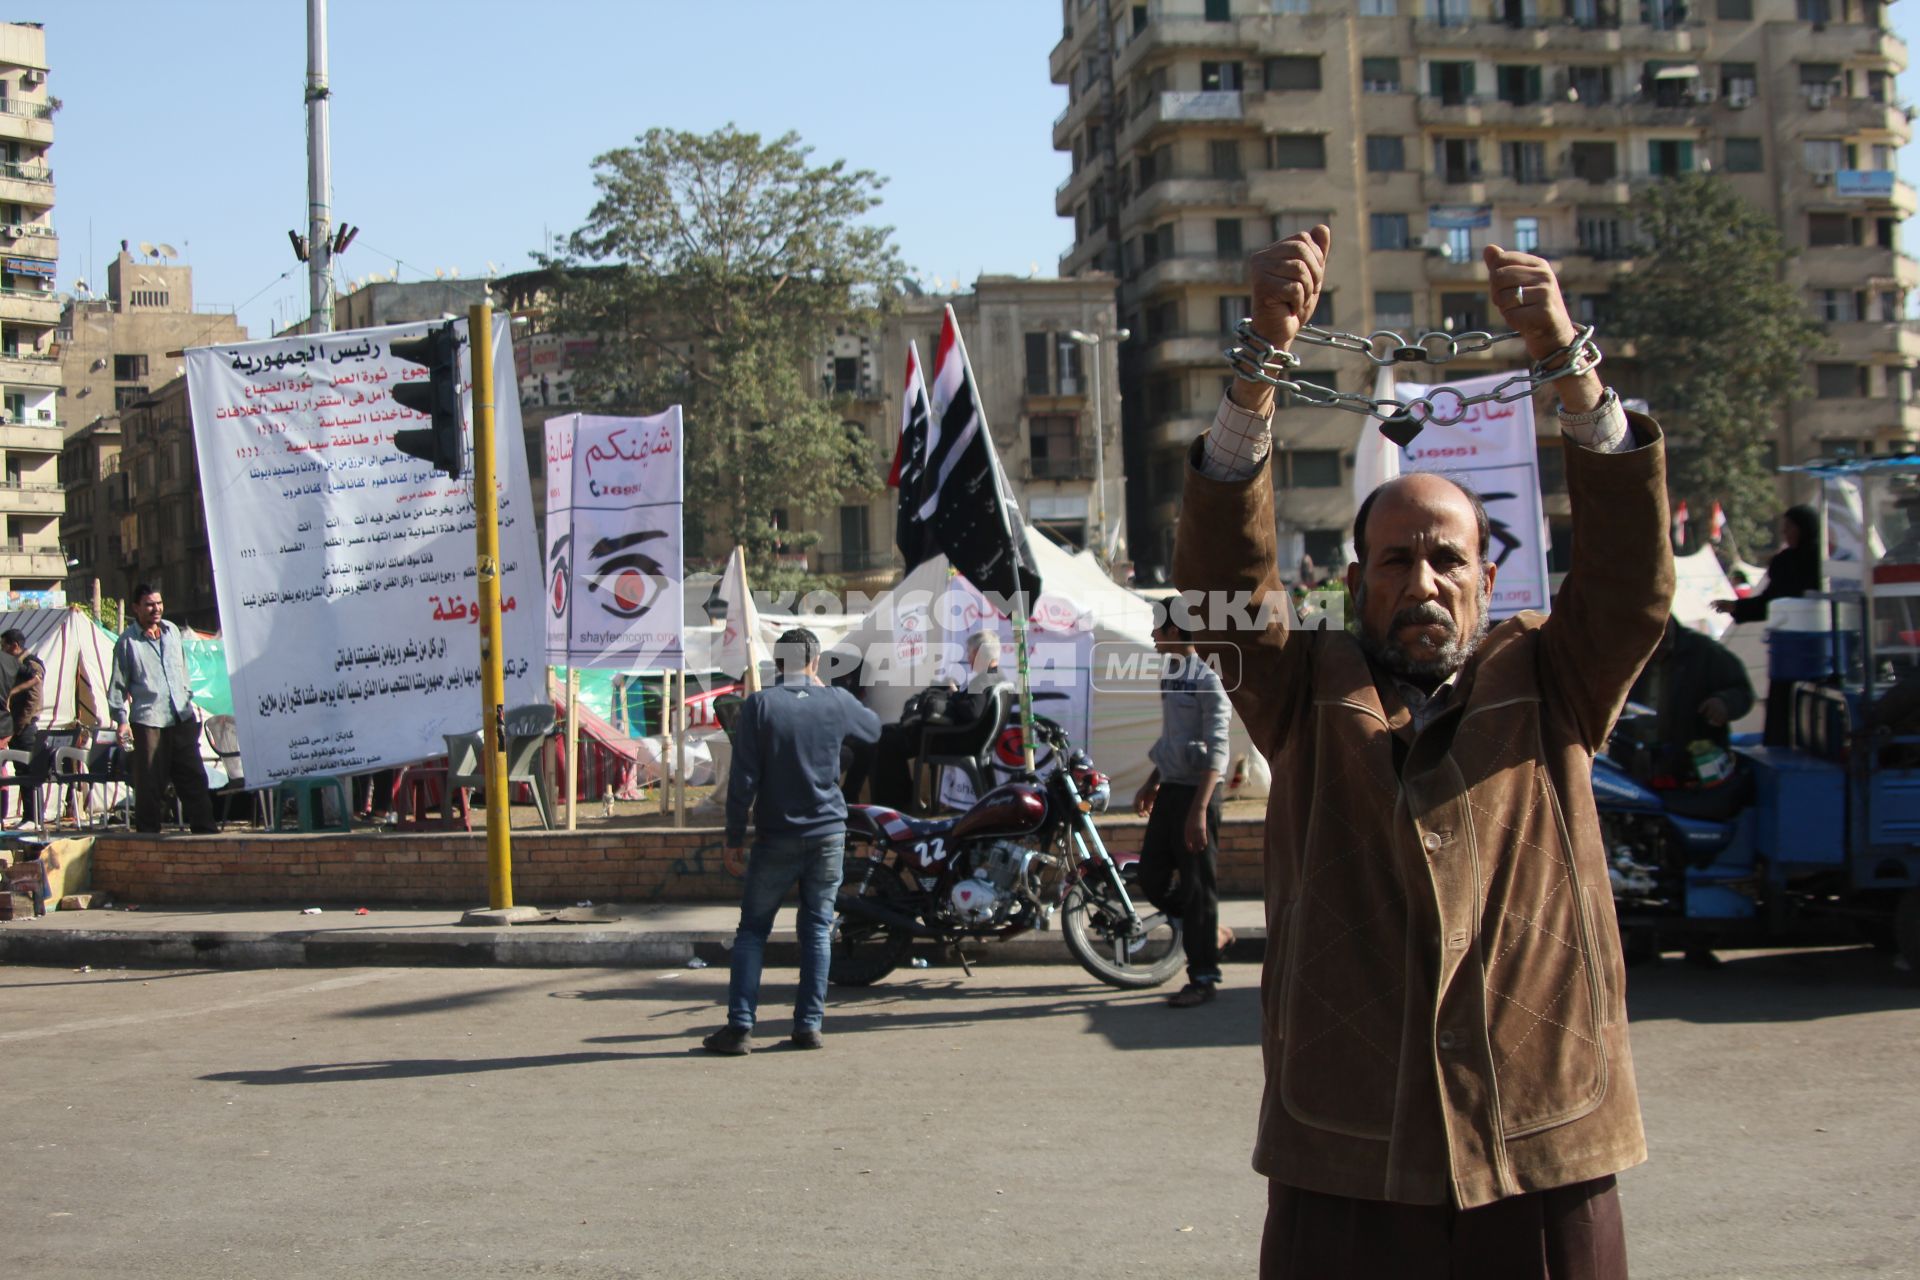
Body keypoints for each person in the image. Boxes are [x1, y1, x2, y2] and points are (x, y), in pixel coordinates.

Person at [1177, 226, 1670, 1277]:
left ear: (1491, 579)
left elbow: (1631, 577)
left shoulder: (1555, 677)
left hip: (1545, 1136)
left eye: (1449, 557)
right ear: (1358, 584)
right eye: (1394, 559)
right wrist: (1264, 356)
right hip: (1349, 1144)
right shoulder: (1303, 687)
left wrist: (1566, 364)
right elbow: (1221, 573)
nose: (1424, 579)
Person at [703, 627, 881, 1056]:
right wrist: (827, 692)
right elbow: (874, 730)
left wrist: (732, 838)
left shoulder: (759, 706)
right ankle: (808, 1026)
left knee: (752, 932)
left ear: (777, 664)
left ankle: (741, 1027)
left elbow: (743, 781)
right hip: (828, 834)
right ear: (815, 662)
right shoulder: (835, 702)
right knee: (818, 930)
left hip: (776, 836)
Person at [1133, 609, 1233, 1007]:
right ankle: (1209, 932)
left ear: (1174, 630)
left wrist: (1199, 810)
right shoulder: (1172, 676)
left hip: (1199, 795)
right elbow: (1174, 738)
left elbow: (1218, 750)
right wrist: (1152, 781)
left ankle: (1203, 976)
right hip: (1172, 789)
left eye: (1158, 628)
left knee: (1198, 888)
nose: (1154, 636)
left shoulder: (1208, 680)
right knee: (1152, 876)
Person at [107, 584, 217, 835]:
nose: (155, 609)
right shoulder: (127, 642)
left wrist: (187, 699)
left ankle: (206, 833)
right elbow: (117, 686)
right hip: (149, 721)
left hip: (181, 716)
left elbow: (183, 670)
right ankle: (148, 837)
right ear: (136, 608)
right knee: (149, 784)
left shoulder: (172, 633)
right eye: (149, 604)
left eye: (158, 603)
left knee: (193, 778)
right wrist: (121, 720)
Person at [1712, 505, 1820, 745]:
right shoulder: (1784, 562)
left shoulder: (1820, 561)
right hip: (1787, 643)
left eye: (1790, 527)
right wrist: (1736, 607)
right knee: (1781, 697)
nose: (1785, 533)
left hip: (1816, 644)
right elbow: (1769, 602)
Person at [870, 631, 1010, 811]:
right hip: (968, 737)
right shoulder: (997, 676)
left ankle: (896, 806)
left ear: (980, 653)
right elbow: (973, 707)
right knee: (889, 733)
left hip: (954, 740)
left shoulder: (984, 679)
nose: (968, 657)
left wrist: (953, 694)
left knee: (887, 740)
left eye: (970, 653)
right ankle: (905, 800)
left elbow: (972, 711)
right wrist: (958, 695)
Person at [1, 629, 46, 829]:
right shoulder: (15, 665)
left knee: (29, 772)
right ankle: (29, 816)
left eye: (4, 645)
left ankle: (34, 817)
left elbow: (33, 699)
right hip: (16, 725)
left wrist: (19, 726)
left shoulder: (31, 664)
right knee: (20, 773)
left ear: (15, 646)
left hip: (25, 727)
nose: (3, 650)